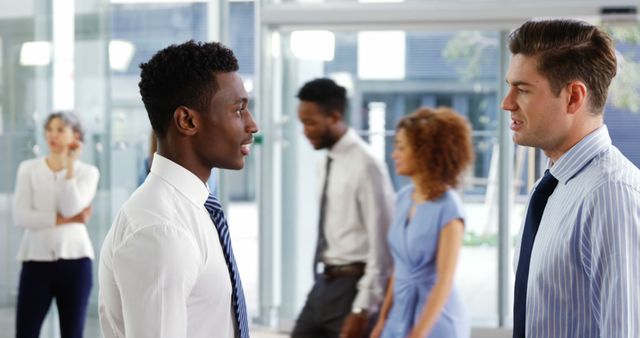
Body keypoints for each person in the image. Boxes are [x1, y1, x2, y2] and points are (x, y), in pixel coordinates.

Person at [98, 40, 258, 338]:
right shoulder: (161, 229)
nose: (252, 125)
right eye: (238, 111)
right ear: (187, 120)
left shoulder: (195, 207)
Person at [502, 19, 640, 338]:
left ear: (573, 97)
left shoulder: (611, 193)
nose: (506, 103)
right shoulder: (551, 185)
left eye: (522, 89)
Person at [292, 78, 395, 338]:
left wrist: (362, 308)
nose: (305, 131)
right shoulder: (326, 161)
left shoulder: (366, 165)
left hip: (353, 287)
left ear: (335, 116)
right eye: (302, 122)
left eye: (310, 122)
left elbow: (382, 244)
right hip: (324, 283)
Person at [370, 107, 473, 338]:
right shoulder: (403, 198)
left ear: (426, 152)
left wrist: (418, 334)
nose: (393, 154)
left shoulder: (449, 208)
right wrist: (382, 321)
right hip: (398, 317)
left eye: (401, 147)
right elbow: (398, 268)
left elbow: (444, 282)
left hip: (436, 321)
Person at [13, 111, 99, 338]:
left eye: (61, 129)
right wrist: (67, 220)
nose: (53, 135)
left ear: (76, 135)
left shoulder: (88, 173)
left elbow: (70, 206)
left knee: (72, 333)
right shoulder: (28, 169)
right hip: (35, 263)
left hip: (76, 264)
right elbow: (21, 216)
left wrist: (69, 168)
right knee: (26, 332)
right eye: (49, 129)